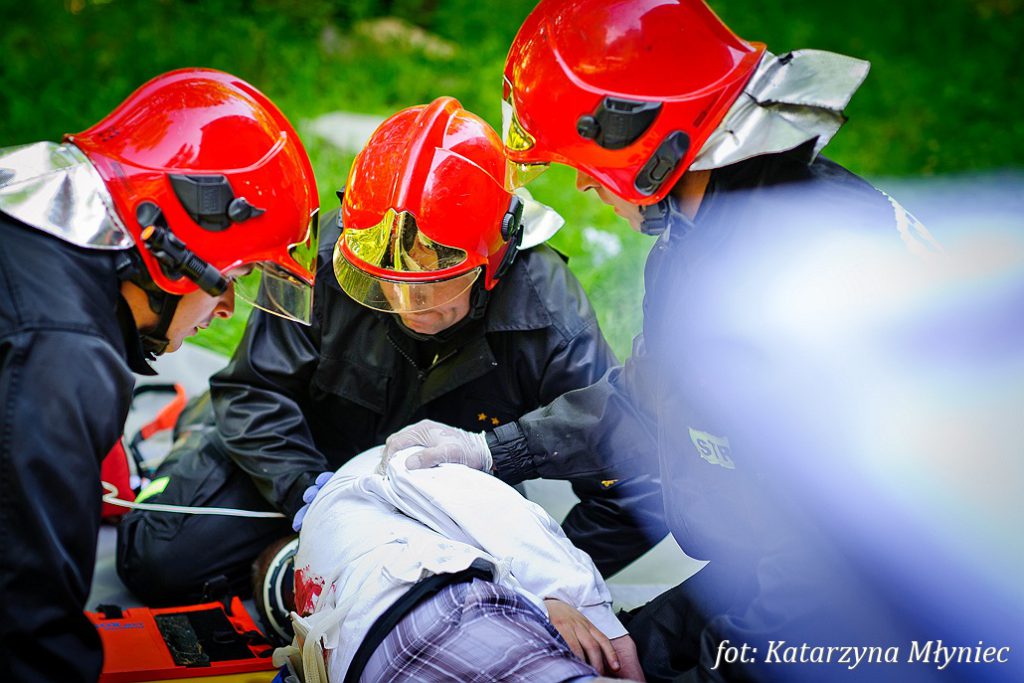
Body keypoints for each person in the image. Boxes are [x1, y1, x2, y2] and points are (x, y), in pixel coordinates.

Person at [378, 2, 959, 681]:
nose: (583, 183)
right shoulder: (704, 231)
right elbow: (647, 400)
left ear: (638, 137)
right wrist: (489, 450)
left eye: (584, 160)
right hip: (767, 560)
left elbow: (820, 566)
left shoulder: (804, 274)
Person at [116, 97, 667, 617]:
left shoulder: (547, 314)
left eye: (434, 284)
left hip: (448, 500)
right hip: (307, 459)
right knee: (157, 558)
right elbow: (253, 390)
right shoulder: (331, 257)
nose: (408, 306)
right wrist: (310, 498)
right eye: (386, 283)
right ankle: (226, 471)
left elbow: (638, 487)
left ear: (494, 262)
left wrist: (540, 582)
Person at [0, 68, 319, 683]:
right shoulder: (63, 359)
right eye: (232, 276)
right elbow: (28, 632)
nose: (225, 308)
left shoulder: (28, 200)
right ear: (173, 255)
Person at [272, 446, 645, 683]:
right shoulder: (355, 489)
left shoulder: (352, 493)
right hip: (440, 611)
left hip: (387, 648)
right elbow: (504, 517)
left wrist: (556, 596)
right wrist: (565, 596)